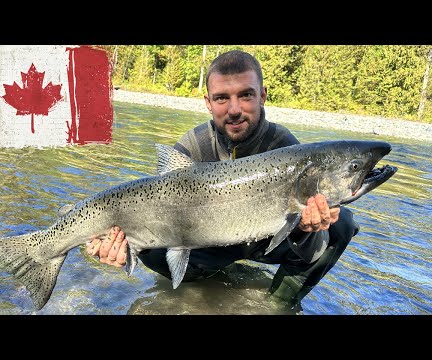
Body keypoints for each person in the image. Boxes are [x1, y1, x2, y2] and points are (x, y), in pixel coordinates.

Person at [86, 50, 359, 312]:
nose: (234, 109)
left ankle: (276, 305)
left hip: (263, 242)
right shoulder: (192, 147)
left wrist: (307, 229)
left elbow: (309, 247)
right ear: (208, 102)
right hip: (206, 244)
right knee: (149, 239)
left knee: (341, 224)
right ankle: (195, 288)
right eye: (221, 98)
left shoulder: (284, 147)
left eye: (246, 95)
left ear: (262, 96)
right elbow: (152, 214)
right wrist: (122, 244)